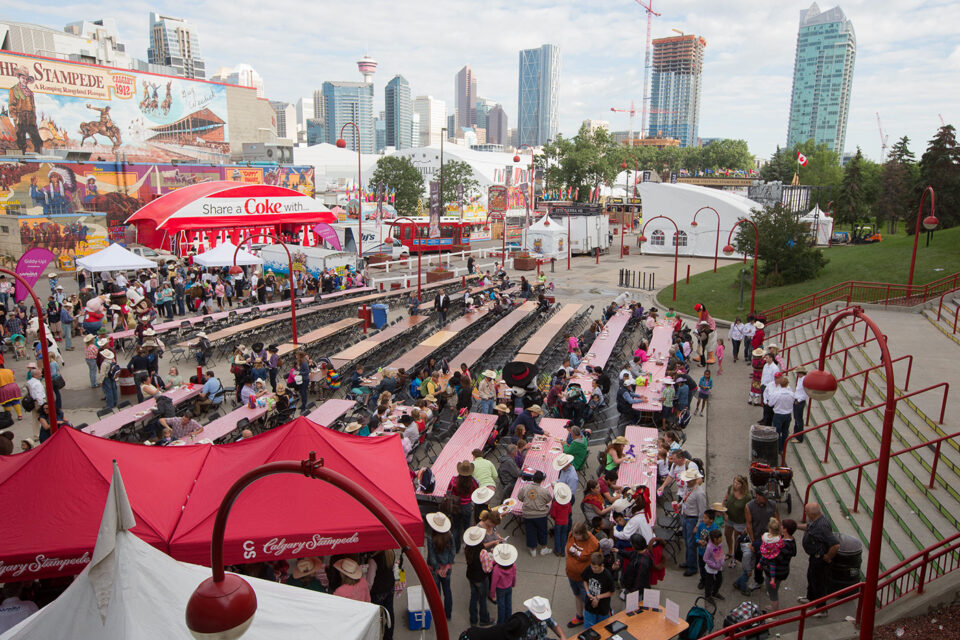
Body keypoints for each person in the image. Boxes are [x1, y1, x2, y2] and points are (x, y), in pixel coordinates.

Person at [796, 503, 839, 612]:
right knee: (811, 577)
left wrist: (828, 557)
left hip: (820, 559)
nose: (805, 513)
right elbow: (808, 527)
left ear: (811, 513)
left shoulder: (822, 526)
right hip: (813, 557)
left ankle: (821, 609)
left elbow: (835, 544)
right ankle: (810, 598)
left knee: (819, 583)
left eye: (806, 511)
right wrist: (796, 526)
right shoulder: (815, 520)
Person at [735, 490, 780, 594]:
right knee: (758, 563)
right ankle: (758, 581)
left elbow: (778, 520)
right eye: (764, 497)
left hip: (771, 540)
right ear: (757, 496)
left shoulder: (773, 505)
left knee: (771, 564)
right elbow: (749, 524)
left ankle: (770, 585)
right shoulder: (749, 506)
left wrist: (778, 537)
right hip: (758, 540)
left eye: (767, 497)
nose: (766, 499)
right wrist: (753, 540)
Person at [564, 521, 599, 629]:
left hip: (585, 579)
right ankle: (579, 617)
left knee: (588, 600)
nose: (573, 536)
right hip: (571, 574)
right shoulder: (571, 535)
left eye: (576, 535)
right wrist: (569, 560)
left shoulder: (593, 543)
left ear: (582, 534)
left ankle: (594, 620)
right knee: (577, 595)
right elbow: (567, 547)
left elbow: (598, 560)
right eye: (573, 534)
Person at [425, 512, 455, 620]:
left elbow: (432, 556)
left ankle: (438, 616)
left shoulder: (430, 538)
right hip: (447, 567)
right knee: (447, 591)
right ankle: (448, 614)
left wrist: (437, 569)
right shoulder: (450, 535)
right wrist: (447, 566)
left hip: (434, 570)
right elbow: (453, 551)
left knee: (436, 594)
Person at [462, 525, 493, 627]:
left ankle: (473, 620)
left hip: (471, 576)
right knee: (482, 599)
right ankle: (484, 619)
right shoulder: (482, 552)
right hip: (480, 578)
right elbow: (487, 569)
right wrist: (492, 560)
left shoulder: (467, 548)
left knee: (473, 597)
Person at [680, 467, 706, 577]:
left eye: (689, 480)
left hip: (692, 519)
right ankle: (688, 561)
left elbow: (702, 511)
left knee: (691, 544)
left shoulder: (700, 493)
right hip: (685, 517)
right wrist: (680, 504)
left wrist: (698, 525)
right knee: (686, 541)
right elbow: (685, 498)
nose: (687, 482)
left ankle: (692, 567)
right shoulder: (688, 487)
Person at [448, 461, 479, 552]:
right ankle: (468, 547)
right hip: (467, 506)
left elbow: (449, 489)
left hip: (456, 505)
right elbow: (476, 490)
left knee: (456, 527)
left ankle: (456, 548)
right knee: (467, 526)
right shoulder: (472, 481)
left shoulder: (454, 480)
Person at [521, 471, 553, 557]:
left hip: (527, 514)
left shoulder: (525, 488)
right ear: (542, 480)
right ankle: (543, 548)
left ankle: (533, 550)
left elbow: (520, 497)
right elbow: (548, 500)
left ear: (533, 478)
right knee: (542, 531)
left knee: (530, 531)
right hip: (540, 515)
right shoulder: (544, 491)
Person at [723, 475, 751, 567]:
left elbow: (749, 512)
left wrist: (747, 526)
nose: (735, 485)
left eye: (738, 483)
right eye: (734, 482)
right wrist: (724, 513)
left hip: (740, 521)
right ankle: (730, 551)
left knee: (737, 539)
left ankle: (734, 557)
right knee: (727, 534)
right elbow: (725, 499)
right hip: (729, 518)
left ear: (743, 485)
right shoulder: (731, 488)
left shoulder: (747, 497)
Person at [581, 552, 614, 628]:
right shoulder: (589, 569)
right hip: (589, 606)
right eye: (592, 566)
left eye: (595, 567)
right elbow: (585, 580)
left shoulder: (607, 576)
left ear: (602, 565)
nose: (593, 569)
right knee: (589, 628)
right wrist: (587, 592)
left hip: (602, 608)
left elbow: (612, 592)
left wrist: (598, 597)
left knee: (602, 628)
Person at [490, 543, 518, 625]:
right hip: (509, 587)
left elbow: (493, 583)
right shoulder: (513, 566)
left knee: (501, 606)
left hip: (500, 589)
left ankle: (500, 624)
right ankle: (509, 621)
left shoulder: (497, 569)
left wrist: (492, 594)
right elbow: (514, 576)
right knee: (508, 604)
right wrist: (513, 584)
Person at [550, 483, 573, 556]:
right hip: (565, 522)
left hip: (558, 522)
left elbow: (553, 514)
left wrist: (555, 518)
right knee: (563, 536)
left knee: (557, 536)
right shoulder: (568, 504)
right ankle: (563, 551)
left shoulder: (555, 504)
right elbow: (569, 512)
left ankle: (557, 550)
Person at [703, 529, 725, 603]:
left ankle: (715, 592)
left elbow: (720, 553)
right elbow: (705, 559)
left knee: (719, 580)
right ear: (715, 539)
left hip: (718, 567)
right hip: (711, 568)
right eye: (720, 538)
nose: (721, 539)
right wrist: (714, 565)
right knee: (709, 582)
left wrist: (721, 560)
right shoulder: (709, 547)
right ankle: (708, 596)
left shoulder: (719, 545)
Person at [793, 368, 808, 443]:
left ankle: (799, 437)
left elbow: (806, 393)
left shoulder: (804, 380)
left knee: (798, 419)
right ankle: (796, 434)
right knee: (796, 418)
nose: (797, 374)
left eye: (798, 373)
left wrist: (798, 401)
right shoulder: (800, 379)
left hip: (799, 401)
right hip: (797, 400)